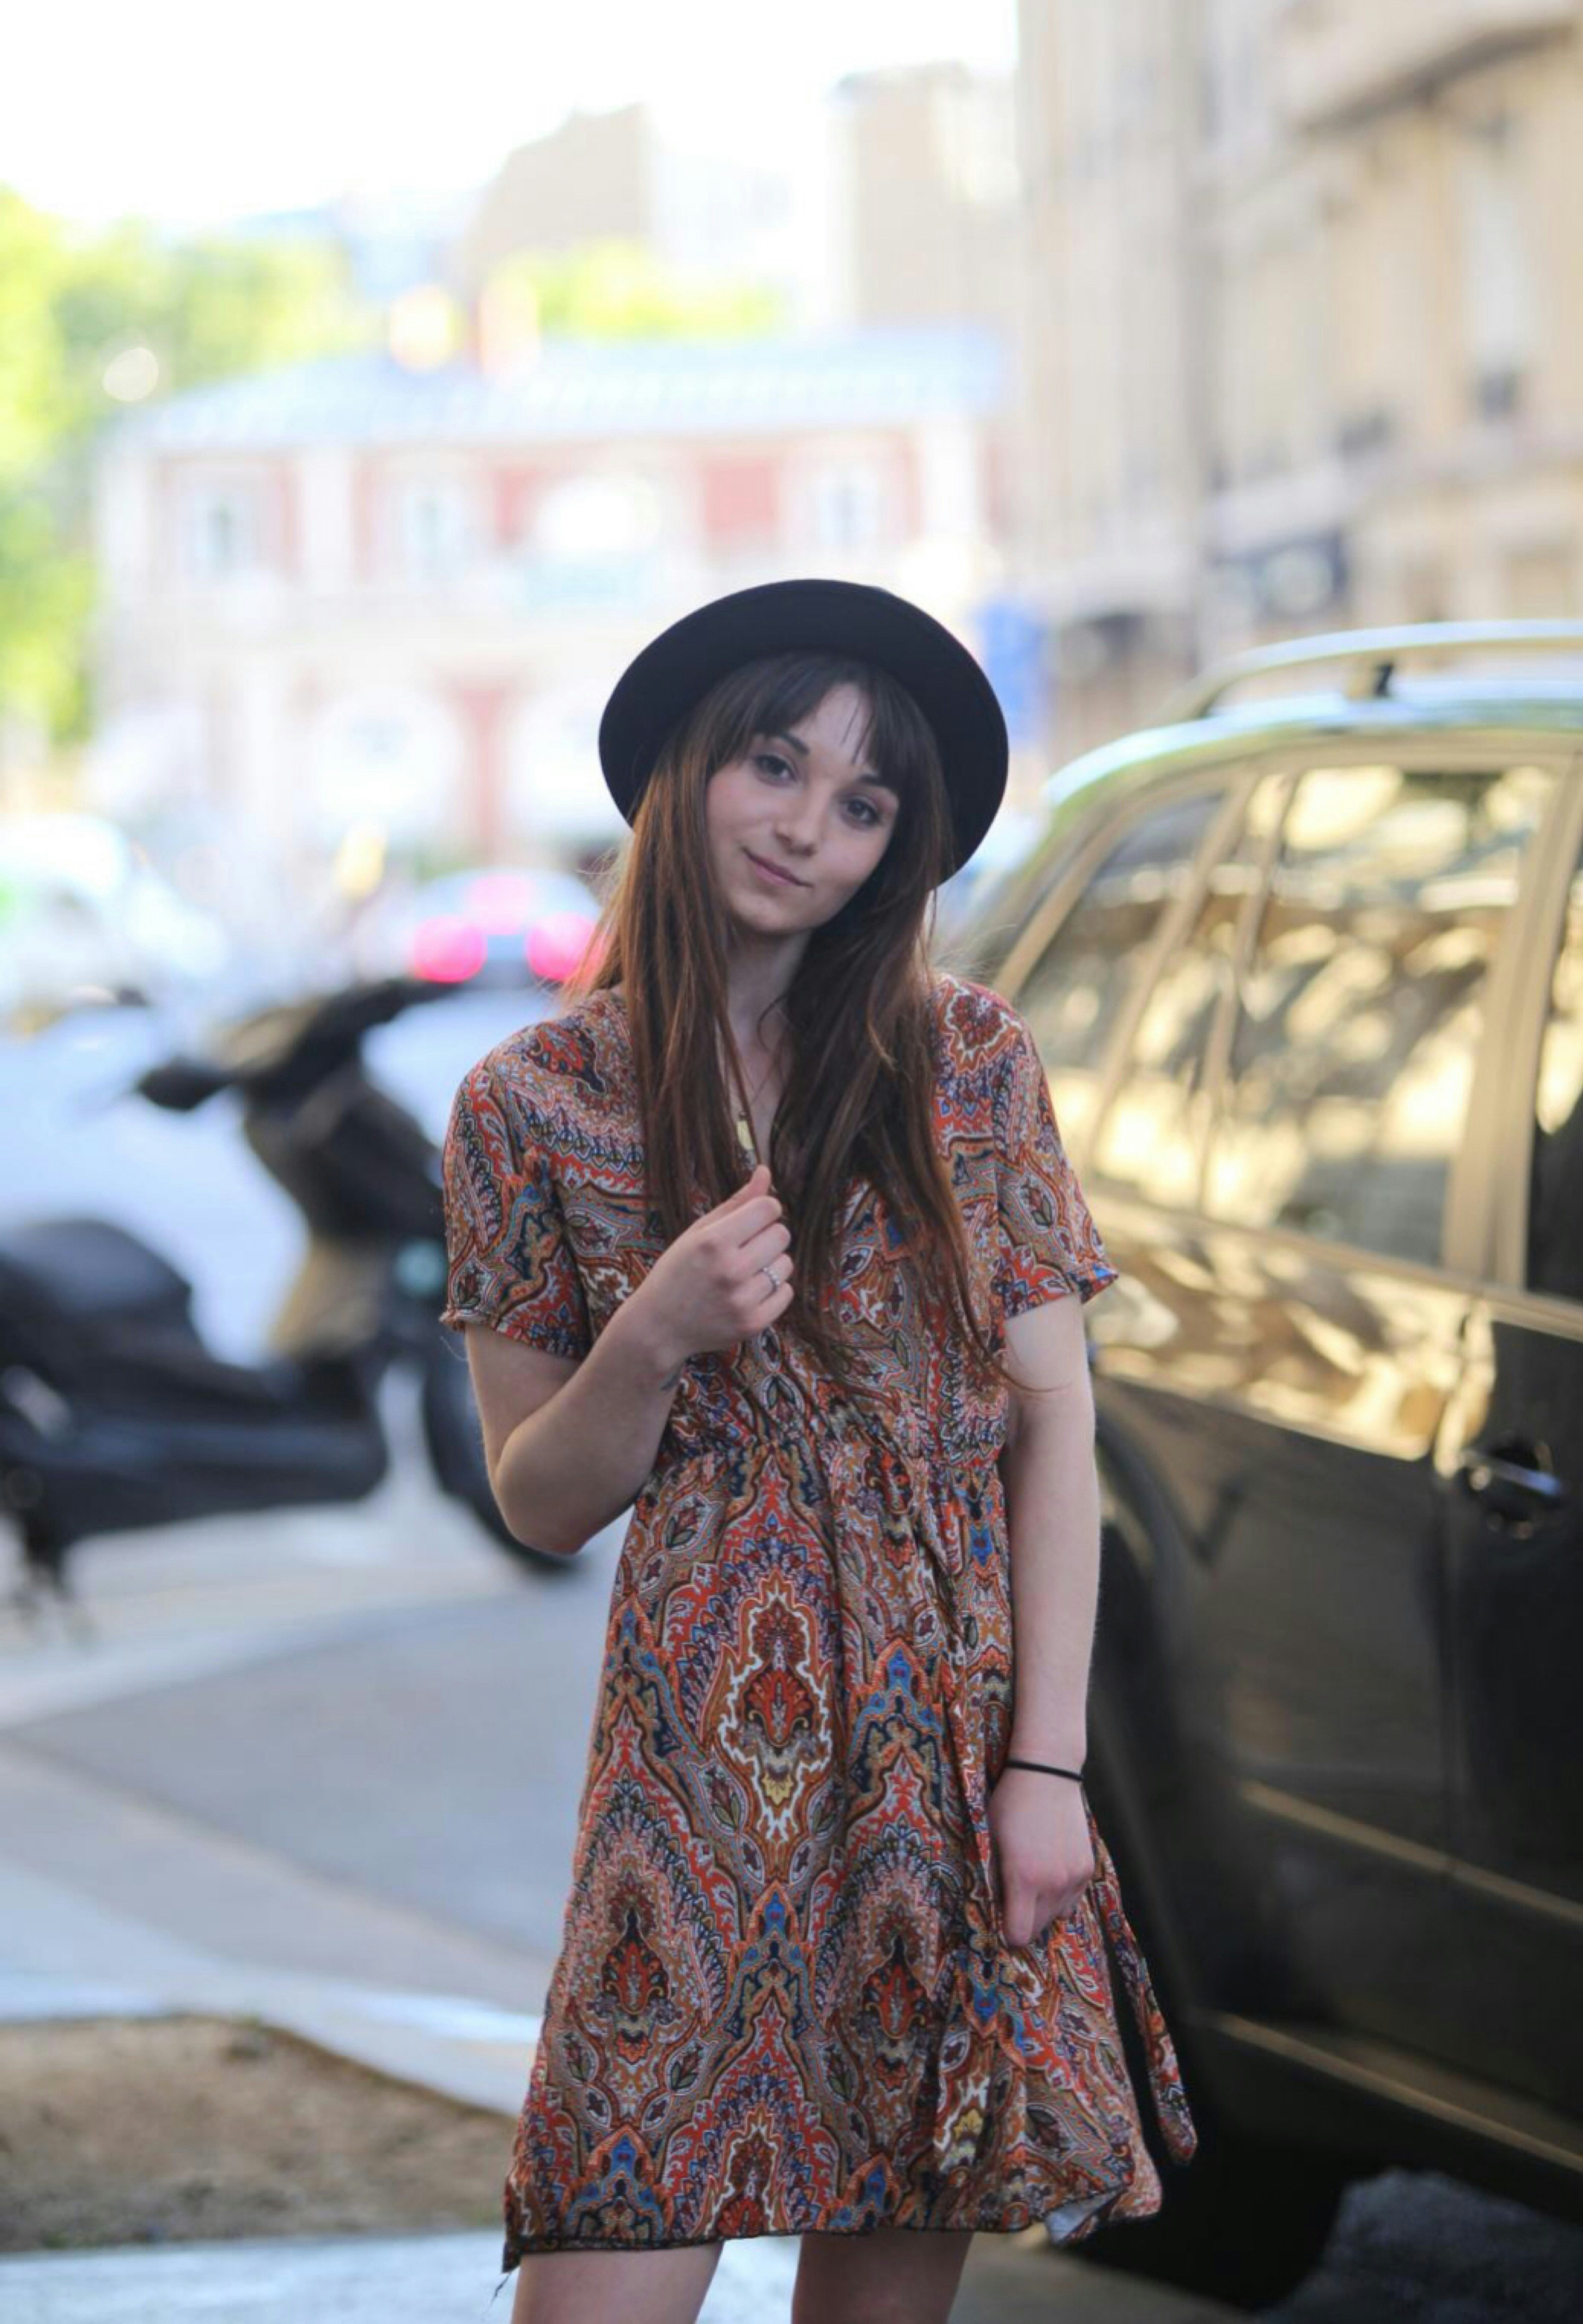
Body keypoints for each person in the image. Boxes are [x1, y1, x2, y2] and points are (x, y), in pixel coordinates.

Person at [439, 578, 1196, 2324]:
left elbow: (1054, 1416)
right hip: (694, 1771)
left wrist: (1047, 1773)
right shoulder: (531, 1103)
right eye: (775, 765)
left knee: (883, 2284)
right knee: (605, 2274)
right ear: (689, 770)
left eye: (863, 803)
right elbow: (542, 1502)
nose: (807, 827)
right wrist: (654, 1333)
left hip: (944, 1746)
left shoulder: (964, 1059)